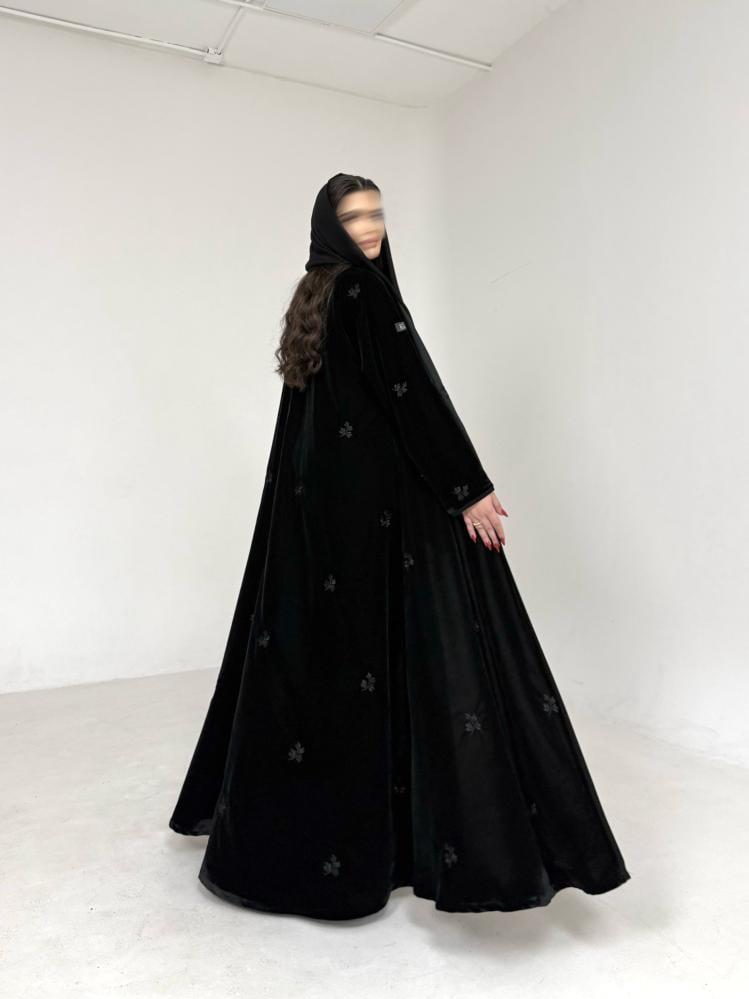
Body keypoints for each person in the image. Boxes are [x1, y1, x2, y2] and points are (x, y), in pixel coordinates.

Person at [168, 172, 631, 920]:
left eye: (376, 214)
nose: (370, 228)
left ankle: (327, 841)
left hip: (322, 515)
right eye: (353, 217)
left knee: (339, 668)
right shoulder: (363, 291)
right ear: (330, 226)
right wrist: (467, 488)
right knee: (427, 650)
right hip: (376, 513)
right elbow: (410, 395)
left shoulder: (315, 295)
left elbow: (312, 422)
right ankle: (425, 845)